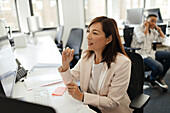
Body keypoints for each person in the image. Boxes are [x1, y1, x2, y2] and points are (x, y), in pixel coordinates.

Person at [58, 16, 133, 113]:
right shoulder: (86, 56)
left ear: (108, 39)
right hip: (89, 108)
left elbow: (113, 102)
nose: (88, 36)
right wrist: (65, 65)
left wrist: (82, 96)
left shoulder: (122, 63)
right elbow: (71, 81)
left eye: (95, 33)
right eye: (88, 31)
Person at [131, 14, 170, 90]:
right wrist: (146, 28)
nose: (153, 23)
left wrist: (159, 30)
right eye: (152, 21)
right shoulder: (138, 28)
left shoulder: (152, 31)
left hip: (151, 52)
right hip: (141, 54)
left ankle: (159, 77)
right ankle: (151, 79)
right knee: (159, 67)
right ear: (146, 21)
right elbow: (141, 39)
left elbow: (162, 40)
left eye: (155, 22)